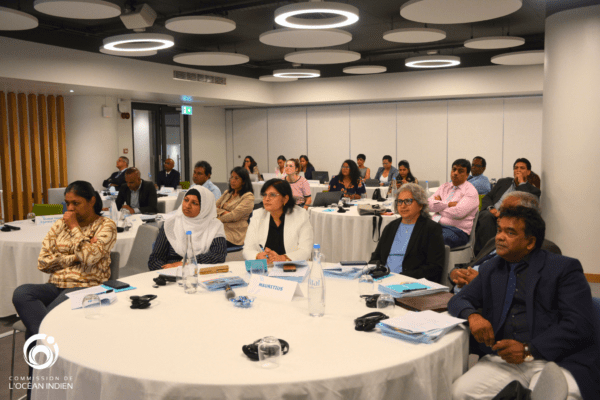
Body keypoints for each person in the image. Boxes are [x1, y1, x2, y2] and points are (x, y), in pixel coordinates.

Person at [449, 206, 600, 400]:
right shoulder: (492, 268)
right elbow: (459, 299)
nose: (499, 237)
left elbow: (579, 324)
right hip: (506, 360)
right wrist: (473, 316)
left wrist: (529, 349)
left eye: (510, 232)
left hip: (556, 359)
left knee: (554, 397)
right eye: (499, 230)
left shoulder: (563, 269)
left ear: (530, 242)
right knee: (460, 392)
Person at [13, 181, 117, 338]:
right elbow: (43, 262)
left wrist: (75, 227)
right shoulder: (60, 225)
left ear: (92, 201)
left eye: (76, 203)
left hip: (86, 285)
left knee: (38, 322)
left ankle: (43, 343)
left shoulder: (106, 225)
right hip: (56, 284)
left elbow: (89, 258)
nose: (70, 208)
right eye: (67, 203)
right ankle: (49, 339)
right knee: (22, 293)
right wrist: (76, 257)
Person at [449, 192, 561, 292]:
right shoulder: (494, 241)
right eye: (501, 210)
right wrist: (455, 273)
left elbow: (527, 290)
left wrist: (481, 282)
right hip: (457, 297)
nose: (499, 215)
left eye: (508, 212)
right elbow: (472, 264)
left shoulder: (545, 248)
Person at [369, 183, 445, 282]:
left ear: (420, 205)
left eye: (408, 201)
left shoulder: (431, 229)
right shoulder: (390, 227)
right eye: (400, 201)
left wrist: (400, 277)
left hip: (410, 283)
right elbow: (376, 257)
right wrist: (375, 270)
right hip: (383, 279)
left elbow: (434, 268)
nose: (403, 206)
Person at [148, 187, 227, 270]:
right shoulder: (171, 224)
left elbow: (218, 256)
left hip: (200, 272)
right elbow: (154, 260)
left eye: (194, 203)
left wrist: (187, 263)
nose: (187, 206)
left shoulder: (214, 226)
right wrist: (169, 271)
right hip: (170, 272)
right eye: (186, 200)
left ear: (204, 207)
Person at [475, 158, 541, 253]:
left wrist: (522, 183)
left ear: (528, 172)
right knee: (485, 216)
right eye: (516, 168)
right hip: (492, 213)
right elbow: (488, 197)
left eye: (522, 168)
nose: (518, 170)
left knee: (487, 219)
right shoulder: (503, 182)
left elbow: (526, 204)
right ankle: (485, 253)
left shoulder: (534, 191)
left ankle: (487, 253)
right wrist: (492, 209)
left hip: (512, 217)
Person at [243, 179, 313, 261]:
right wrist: (258, 256)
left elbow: (305, 250)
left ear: (285, 199)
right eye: (264, 195)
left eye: (272, 195)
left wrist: (282, 258)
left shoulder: (301, 216)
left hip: (290, 266)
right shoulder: (258, 215)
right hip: (265, 266)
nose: (267, 199)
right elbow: (247, 249)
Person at [428, 159, 479, 248]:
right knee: (414, 233)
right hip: (436, 224)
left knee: (432, 239)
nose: (455, 173)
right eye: (454, 169)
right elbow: (428, 205)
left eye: (460, 171)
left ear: (467, 175)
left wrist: (438, 206)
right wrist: (447, 205)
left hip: (457, 231)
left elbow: (458, 213)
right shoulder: (444, 186)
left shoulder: (471, 191)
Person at [216, 167, 255, 247]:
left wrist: (217, 217)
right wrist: (224, 212)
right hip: (219, 228)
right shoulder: (227, 193)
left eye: (236, 178)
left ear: (243, 181)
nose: (232, 181)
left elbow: (233, 216)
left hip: (234, 233)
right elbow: (212, 208)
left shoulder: (248, 197)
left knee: (209, 242)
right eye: (231, 177)